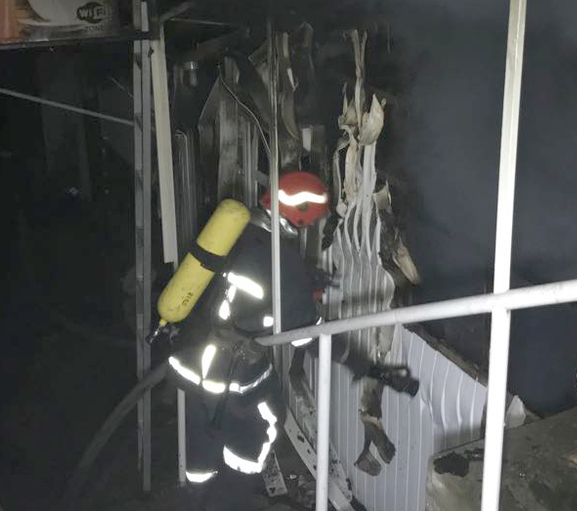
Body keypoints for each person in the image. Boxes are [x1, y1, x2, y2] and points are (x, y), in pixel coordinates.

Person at [168, 170, 418, 485]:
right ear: (299, 215)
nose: (310, 227)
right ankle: (233, 493)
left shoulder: (238, 230)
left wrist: (305, 281)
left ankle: (196, 491)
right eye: (309, 221)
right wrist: (363, 365)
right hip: (232, 375)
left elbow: (247, 282)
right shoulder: (283, 264)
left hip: (193, 358)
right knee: (265, 423)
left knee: (199, 444)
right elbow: (309, 336)